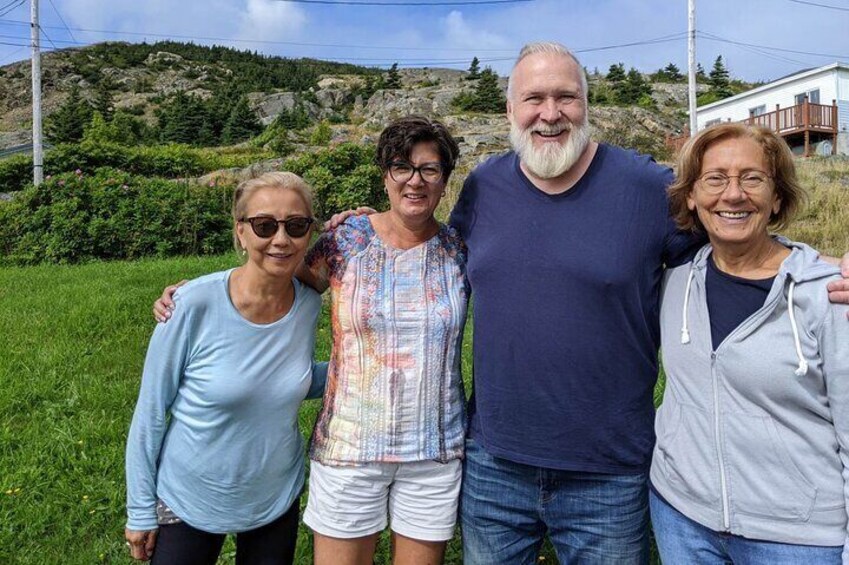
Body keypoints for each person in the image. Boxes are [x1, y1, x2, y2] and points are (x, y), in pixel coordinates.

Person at [448, 42, 849, 564]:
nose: (550, 113)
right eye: (534, 98)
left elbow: (737, 235)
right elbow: (431, 258)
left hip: (610, 472)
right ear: (510, 110)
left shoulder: (646, 188)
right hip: (494, 464)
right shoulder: (482, 186)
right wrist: (358, 233)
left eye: (566, 97)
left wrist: (827, 266)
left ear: (587, 105)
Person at [154, 116, 468, 565]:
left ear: (443, 180)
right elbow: (273, 278)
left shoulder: (461, 249)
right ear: (385, 176)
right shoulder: (344, 239)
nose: (414, 181)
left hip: (434, 451)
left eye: (429, 169)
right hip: (349, 450)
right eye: (402, 167)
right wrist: (194, 296)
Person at [650, 123, 849, 563]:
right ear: (691, 196)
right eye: (715, 179)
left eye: (752, 178)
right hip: (681, 519)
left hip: (798, 539)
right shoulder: (672, 285)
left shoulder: (829, 295)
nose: (733, 195)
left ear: (777, 196)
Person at [126, 172, 325, 564]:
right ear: (241, 232)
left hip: (274, 496)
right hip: (189, 497)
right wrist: (139, 509)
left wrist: (368, 367)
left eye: (296, 226)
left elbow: (289, 377)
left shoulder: (308, 303)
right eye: (265, 225)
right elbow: (149, 412)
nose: (281, 239)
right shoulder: (191, 304)